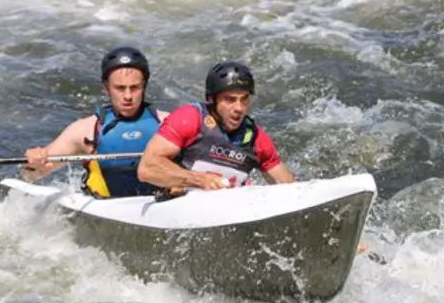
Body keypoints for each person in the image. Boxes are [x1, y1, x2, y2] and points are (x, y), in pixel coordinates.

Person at [21, 46, 169, 198]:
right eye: (120, 88)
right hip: (105, 204)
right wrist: (32, 163)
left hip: (162, 204)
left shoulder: (167, 122)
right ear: (106, 88)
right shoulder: (84, 130)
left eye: (135, 88)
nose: (128, 96)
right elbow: (32, 175)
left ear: (144, 85)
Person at [136, 61, 295, 194]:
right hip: (178, 204)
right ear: (211, 99)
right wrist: (199, 180)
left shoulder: (257, 139)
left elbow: (290, 188)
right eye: (230, 99)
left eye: (244, 99)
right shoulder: (190, 118)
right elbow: (147, 169)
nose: (239, 108)